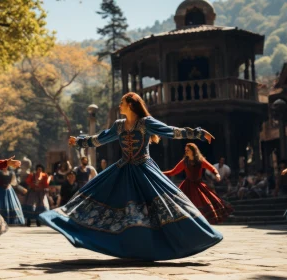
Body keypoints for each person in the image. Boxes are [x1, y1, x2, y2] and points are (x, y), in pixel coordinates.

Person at [39, 92, 223, 261]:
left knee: (166, 207)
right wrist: (80, 141)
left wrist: (197, 133)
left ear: (131, 105)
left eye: (122, 103)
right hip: (123, 170)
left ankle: (184, 239)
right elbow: (100, 139)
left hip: (145, 170)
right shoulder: (119, 126)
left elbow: (171, 131)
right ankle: (123, 244)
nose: (119, 105)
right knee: (104, 200)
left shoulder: (146, 122)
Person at [163, 143, 233, 224]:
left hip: (198, 185)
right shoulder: (184, 162)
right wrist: (160, 173)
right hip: (187, 186)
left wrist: (217, 174)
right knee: (183, 205)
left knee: (203, 204)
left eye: (188, 150)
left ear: (193, 151)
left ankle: (202, 224)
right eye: (185, 150)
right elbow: (173, 172)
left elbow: (211, 168)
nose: (186, 151)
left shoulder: (200, 160)